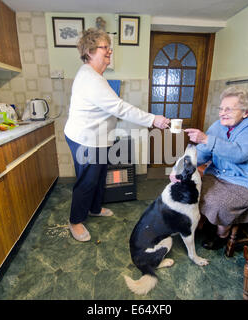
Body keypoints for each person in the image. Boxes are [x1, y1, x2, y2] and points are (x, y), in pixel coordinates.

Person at [64, 28, 170, 242]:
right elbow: (120, 108)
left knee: (99, 177)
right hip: (86, 140)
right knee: (86, 181)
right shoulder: (90, 79)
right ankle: (75, 221)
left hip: (99, 139)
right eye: (105, 48)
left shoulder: (96, 77)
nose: (109, 52)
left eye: (109, 47)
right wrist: (153, 120)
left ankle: (94, 209)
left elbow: (108, 109)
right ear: (90, 51)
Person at [177, 86, 248, 250]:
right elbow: (202, 152)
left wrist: (207, 139)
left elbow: (240, 153)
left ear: (246, 112)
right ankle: (203, 221)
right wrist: (181, 167)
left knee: (218, 203)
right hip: (218, 174)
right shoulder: (217, 125)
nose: (222, 113)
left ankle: (222, 234)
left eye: (228, 109)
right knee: (188, 188)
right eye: (221, 109)